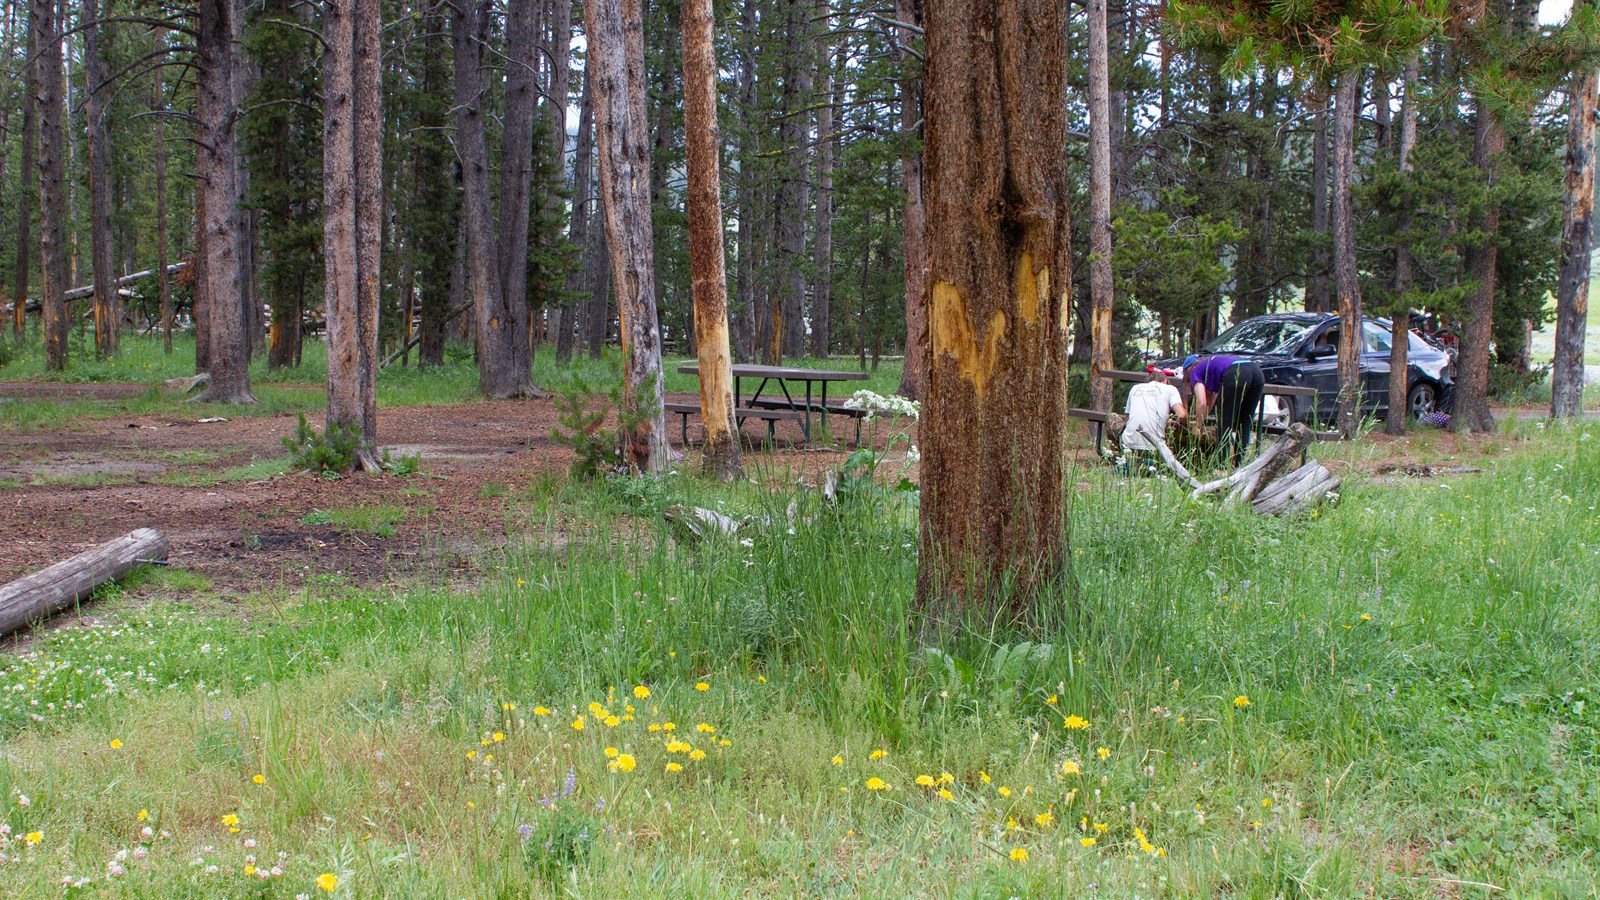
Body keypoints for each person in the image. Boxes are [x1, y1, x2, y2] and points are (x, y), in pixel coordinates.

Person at [1182, 353, 1264, 465]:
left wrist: (1197, 426)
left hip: (1237, 372)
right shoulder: (1211, 365)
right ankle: (1239, 464)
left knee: (1224, 422)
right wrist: (1202, 418)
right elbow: (1210, 403)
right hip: (1256, 372)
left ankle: (1222, 465)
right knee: (1245, 421)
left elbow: (1201, 402)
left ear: (1187, 370)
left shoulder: (1195, 371)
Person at [1121, 367, 1186, 463]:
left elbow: (1127, 419)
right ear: (1166, 380)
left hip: (1128, 444)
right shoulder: (1170, 389)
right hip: (1154, 447)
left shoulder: (1135, 388)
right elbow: (1182, 415)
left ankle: (1118, 455)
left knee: (1112, 417)